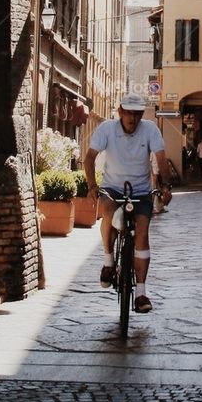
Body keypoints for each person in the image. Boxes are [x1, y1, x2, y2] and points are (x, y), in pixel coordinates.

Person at [85, 93, 172, 313]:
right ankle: (108, 261)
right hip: (112, 187)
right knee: (108, 215)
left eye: (137, 113)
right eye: (128, 113)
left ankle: (141, 293)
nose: (132, 118)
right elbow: (90, 157)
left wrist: (165, 186)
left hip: (141, 191)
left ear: (142, 114)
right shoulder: (106, 129)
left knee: (142, 233)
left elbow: (161, 158)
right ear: (120, 113)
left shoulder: (150, 129)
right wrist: (92, 186)